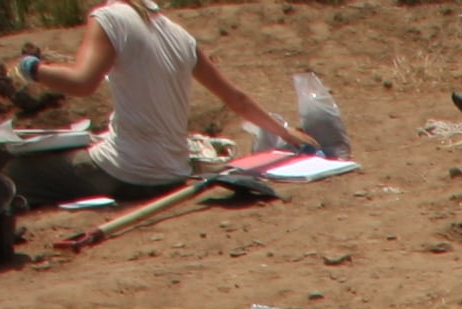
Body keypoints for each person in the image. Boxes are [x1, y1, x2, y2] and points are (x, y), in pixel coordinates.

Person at [17, 0, 311, 199]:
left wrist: (31, 69)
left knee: (18, 172)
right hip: (173, 172)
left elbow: (82, 83)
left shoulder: (108, 18)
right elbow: (237, 99)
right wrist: (287, 134)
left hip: (126, 172)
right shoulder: (180, 35)